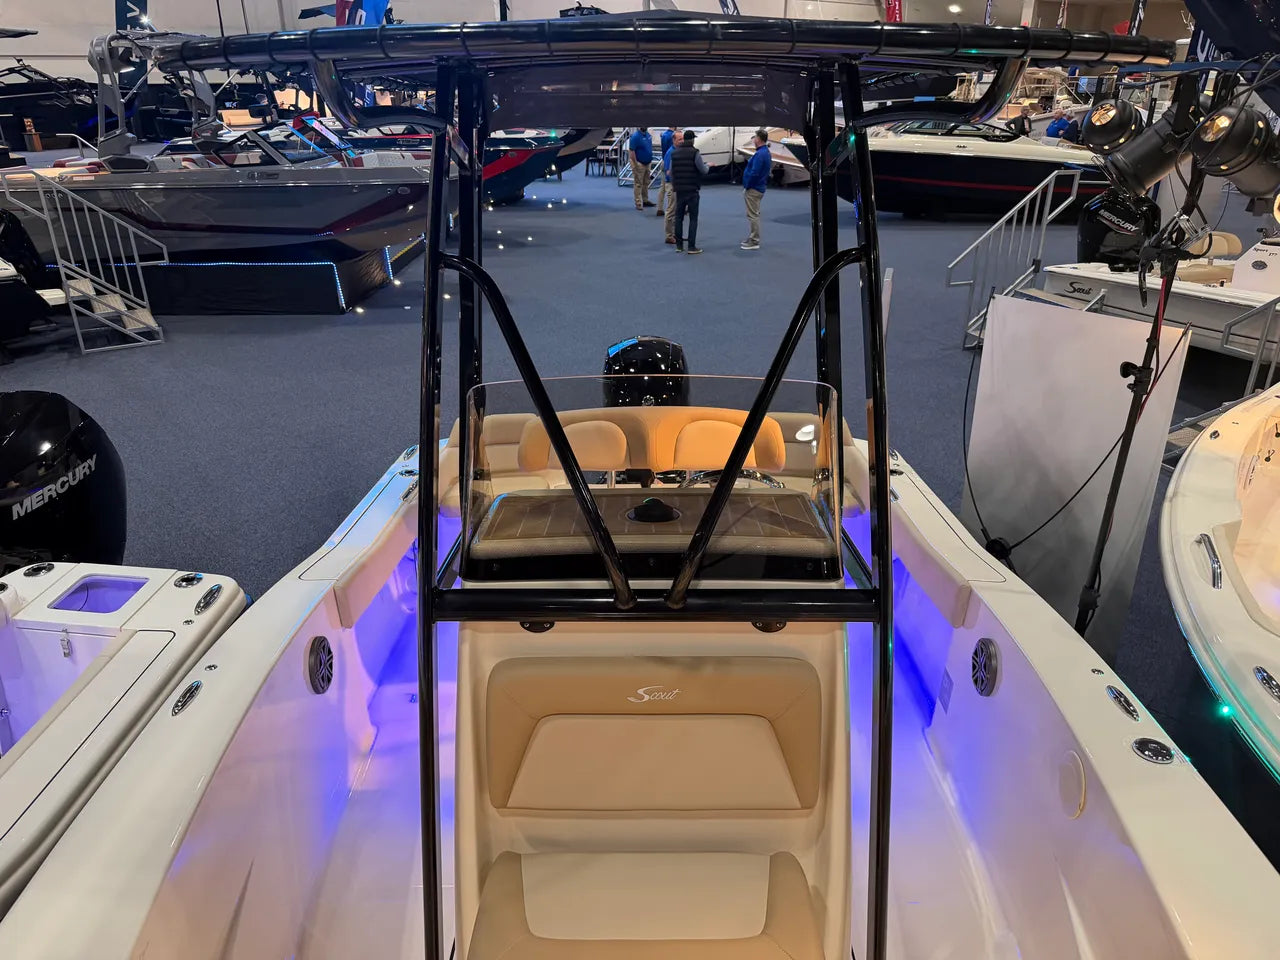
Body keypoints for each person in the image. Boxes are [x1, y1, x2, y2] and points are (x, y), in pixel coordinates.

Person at [669, 129, 707, 254]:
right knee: (693, 219)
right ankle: (691, 247)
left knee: (678, 218)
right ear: (693, 140)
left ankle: (679, 246)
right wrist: (708, 166)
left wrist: (675, 185)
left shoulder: (674, 153)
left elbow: (671, 172)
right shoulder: (695, 152)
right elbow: (703, 170)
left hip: (679, 191)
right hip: (692, 190)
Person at [740, 128, 772, 251]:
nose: (753, 140)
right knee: (754, 214)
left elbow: (755, 173)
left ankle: (754, 240)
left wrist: (747, 185)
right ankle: (753, 238)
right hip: (759, 186)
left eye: (754, 137)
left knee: (753, 215)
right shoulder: (765, 152)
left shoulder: (760, 154)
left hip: (754, 188)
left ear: (758, 139)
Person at [629, 126, 655, 210]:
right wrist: (636, 164)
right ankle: (638, 203)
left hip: (648, 162)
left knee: (646, 182)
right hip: (639, 163)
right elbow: (632, 151)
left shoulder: (648, 135)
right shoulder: (635, 136)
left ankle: (645, 200)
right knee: (638, 183)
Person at [655, 126, 677, 218]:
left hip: (664, 159)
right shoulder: (672, 136)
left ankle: (659, 208)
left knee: (662, 187)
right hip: (670, 161)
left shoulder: (664, 135)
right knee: (670, 187)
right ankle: (671, 209)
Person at [662, 135, 678, 244]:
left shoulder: (677, 151)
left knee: (676, 211)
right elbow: (668, 172)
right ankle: (669, 235)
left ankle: (675, 233)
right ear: (674, 140)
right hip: (672, 185)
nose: (682, 141)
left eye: (683, 139)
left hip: (677, 185)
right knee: (671, 210)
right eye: (679, 139)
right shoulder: (670, 153)